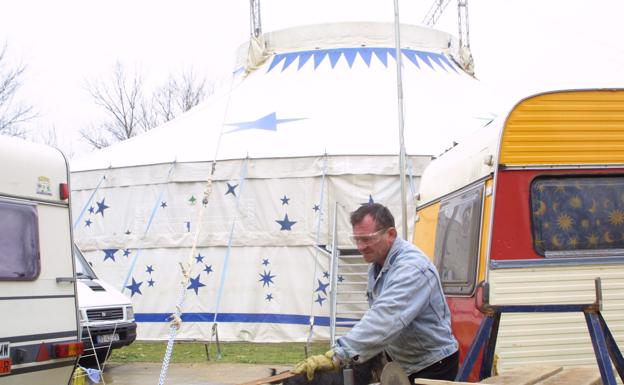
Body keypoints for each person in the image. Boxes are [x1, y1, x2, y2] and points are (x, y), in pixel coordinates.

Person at [293, 203, 458, 383]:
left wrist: (339, 353)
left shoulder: (412, 268)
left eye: (366, 238)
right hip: (404, 363)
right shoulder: (377, 266)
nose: (360, 246)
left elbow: (385, 318)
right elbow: (376, 314)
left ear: (391, 234)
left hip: (433, 366)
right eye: (356, 239)